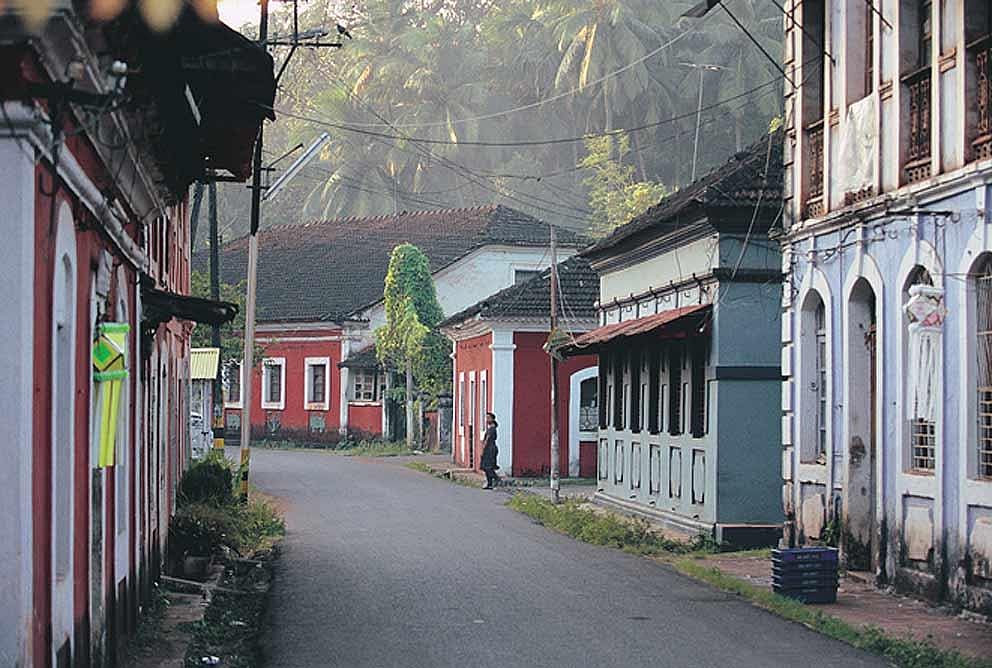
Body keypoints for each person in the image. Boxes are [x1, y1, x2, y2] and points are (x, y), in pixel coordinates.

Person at [480, 412, 499, 489]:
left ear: (492, 419)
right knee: (486, 467)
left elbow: (487, 440)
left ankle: (497, 479)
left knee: (488, 467)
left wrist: (483, 449)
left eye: (488, 418)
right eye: (486, 418)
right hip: (489, 448)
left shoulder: (492, 429)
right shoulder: (490, 428)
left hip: (490, 449)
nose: (487, 419)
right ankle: (489, 483)